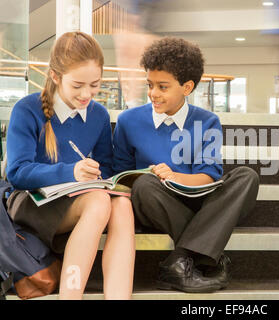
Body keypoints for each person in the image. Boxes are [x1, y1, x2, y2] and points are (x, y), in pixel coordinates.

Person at [112, 37, 260, 293]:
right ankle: (208, 253)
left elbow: (209, 177)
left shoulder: (207, 121)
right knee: (145, 185)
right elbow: (119, 177)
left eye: (162, 87)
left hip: (198, 200)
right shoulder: (128, 121)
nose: (153, 94)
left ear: (187, 87)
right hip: (154, 203)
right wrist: (147, 180)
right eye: (149, 85)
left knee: (246, 177)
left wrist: (174, 177)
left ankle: (180, 260)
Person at [5, 31, 135, 300]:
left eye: (95, 85)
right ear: (55, 76)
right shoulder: (27, 110)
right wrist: (71, 172)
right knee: (99, 202)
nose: (87, 94)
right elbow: (16, 173)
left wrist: (98, 176)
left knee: (121, 204)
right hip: (31, 201)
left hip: (78, 198)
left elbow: (106, 167)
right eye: (77, 86)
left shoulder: (98, 115)